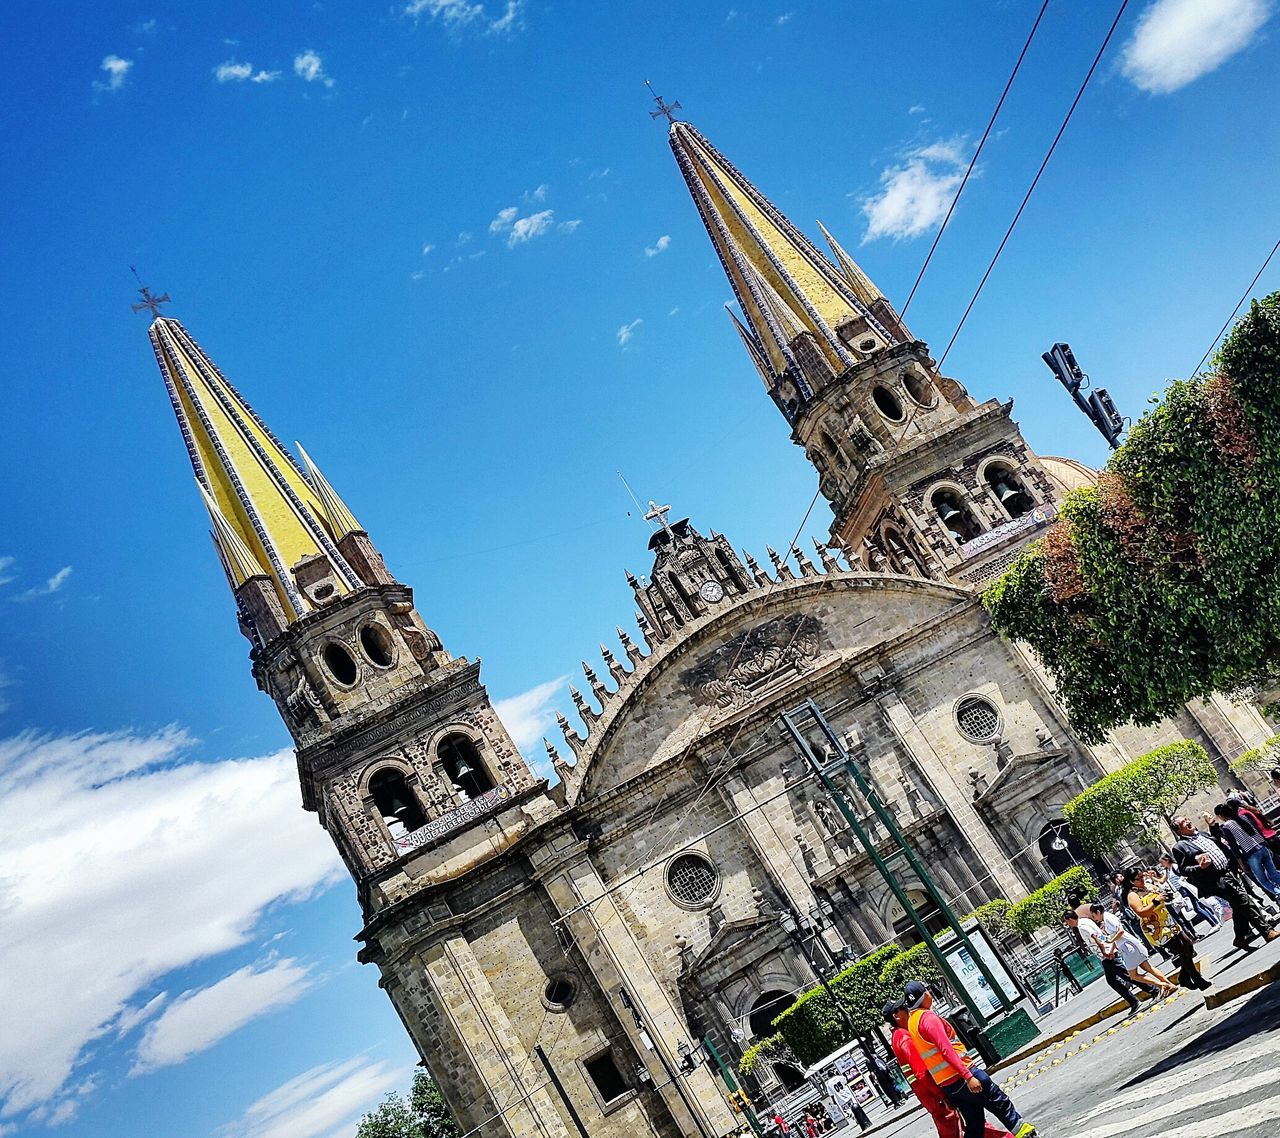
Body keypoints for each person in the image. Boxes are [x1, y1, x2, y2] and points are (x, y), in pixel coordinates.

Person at [901, 981, 1035, 1138]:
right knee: (999, 1103)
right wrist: (968, 1076)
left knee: (974, 1123)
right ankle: (1025, 1133)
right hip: (962, 1076)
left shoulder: (912, 1022)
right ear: (923, 996)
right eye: (927, 991)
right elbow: (946, 1050)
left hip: (948, 1084)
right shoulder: (928, 1018)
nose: (930, 994)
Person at [885, 998, 1009, 1138]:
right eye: (903, 1008)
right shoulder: (905, 1038)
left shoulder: (899, 1037)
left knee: (970, 1124)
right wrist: (943, 1096)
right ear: (896, 1016)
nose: (908, 1009)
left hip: (932, 1094)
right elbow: (922, 1072)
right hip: (936, 1095)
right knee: (964, 1126)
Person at [1170, 815, 1280, 950]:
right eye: (1183, 822)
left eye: (1187, 819)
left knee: (1238, 905)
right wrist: (1200, 867)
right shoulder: (1180, 847)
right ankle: (1267, 931)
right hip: (1215, 880)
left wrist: (1213, 826)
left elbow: (1218, 842)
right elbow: (1183, 869)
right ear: (1179, 831)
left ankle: (1240, 938)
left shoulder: (1202, 835)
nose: (1188, 821)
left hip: (1228, 872)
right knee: (1244, 900)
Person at [1121, 867, 1211, 991]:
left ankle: (1184, 977)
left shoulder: (1146, 887)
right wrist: (1156, 901)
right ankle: (1198, 979)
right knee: (1181, 949)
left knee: (1188, 946)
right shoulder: (1132, 895)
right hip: (1155, 927)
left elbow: (1161, 897)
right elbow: (1142, 912)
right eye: (1139, 878)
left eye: (1143, 876)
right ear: (1131, 881)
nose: (1142, 879)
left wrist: (1163, 895)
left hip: (1167, 920)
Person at [1064, 910, 1151, 1016]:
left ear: (1070, 919)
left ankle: (1151, 990)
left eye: (1067, 922)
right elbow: (1100, 934)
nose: (1068, 925)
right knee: (1113, 980)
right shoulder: (1085, 921)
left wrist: (1104, 950)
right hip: (1106, 953)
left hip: (1106, 954)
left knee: (1128, 976)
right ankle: (1134, 1001)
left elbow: (1095, 936)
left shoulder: (1082, 926)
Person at [1211, 803, 1280, 898]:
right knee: (1274, 873)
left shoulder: (1227, 826)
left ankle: (1278, 893)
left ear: (1221, 816)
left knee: (1264, 881)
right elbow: (1258, 830)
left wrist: (1240, 862)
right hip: (1262, 846)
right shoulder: (1243, 817)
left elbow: (1234, 846)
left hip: (1251, 853)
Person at [1156, 853, 1220, 931]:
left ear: (1167, 860)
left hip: (1185, 888)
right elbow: (1162, 881)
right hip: (1181, 891)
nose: (1161, 864)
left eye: (1162, 862)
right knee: (1198, 907)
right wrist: (1151, 877)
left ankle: (1214, 923)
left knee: (1197, 908)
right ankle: (1215, 922)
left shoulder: (1175, 867)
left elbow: (1183, 874)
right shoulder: (1167, 871)